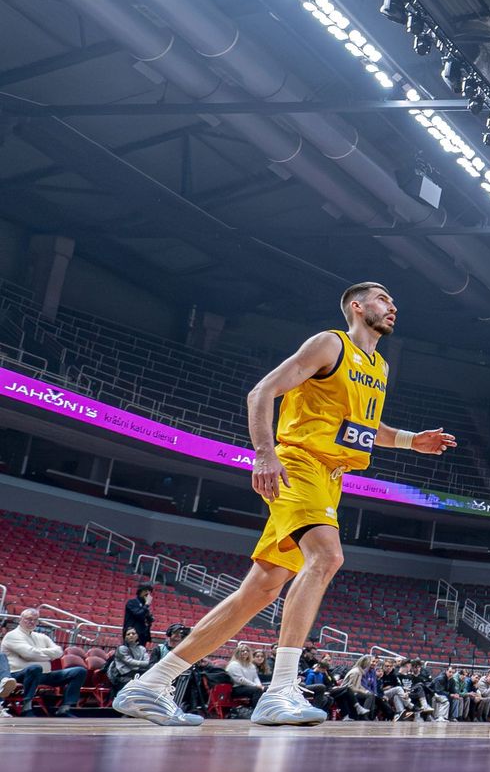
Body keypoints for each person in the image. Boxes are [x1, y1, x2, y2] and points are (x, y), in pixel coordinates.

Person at [114, 282, 456, 727]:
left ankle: (149, 685)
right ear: (356, 306)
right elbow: (261, 392)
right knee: (328, 557)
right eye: (382, 299)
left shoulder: (380, 367)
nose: (393, 306)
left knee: (258, 592)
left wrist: (413, 441)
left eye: (393, 301)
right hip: (300, 463)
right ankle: (279, 691)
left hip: (332, 478)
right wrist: (264, 453)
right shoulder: (330, 343)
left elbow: (364, 428)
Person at [2, 608, 87, 717]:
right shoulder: (12, 635)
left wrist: (38, 653)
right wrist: (48, 655)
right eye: (29, 619)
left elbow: (59, 652)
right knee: (35, 668)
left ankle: (65, 708)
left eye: (35, 620)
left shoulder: (42, 637)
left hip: (44, 674)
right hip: (17, 674)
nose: (32, 622)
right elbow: (29, 654)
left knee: (79, 671)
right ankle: (26, 708)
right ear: (21, 619)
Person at [107, 627, 153, 692]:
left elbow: (147, 660)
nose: (131, 635)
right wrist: (148, 664)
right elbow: (131, 663)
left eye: (133, 633)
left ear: (137, 636)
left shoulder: (142, 648)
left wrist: (148, 664)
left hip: (137, 674)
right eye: (128, 634)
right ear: (125, 637)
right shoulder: (121, 649)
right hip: (123, 677)